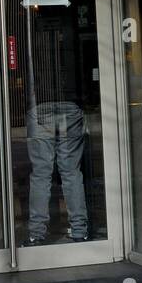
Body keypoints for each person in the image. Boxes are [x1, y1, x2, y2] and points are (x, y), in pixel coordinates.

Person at [26, 100, 89, 243]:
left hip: (40, 109)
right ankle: (79, 231)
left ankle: (36, 234)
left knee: (41, 174)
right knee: (71, 172)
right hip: (70, 106)